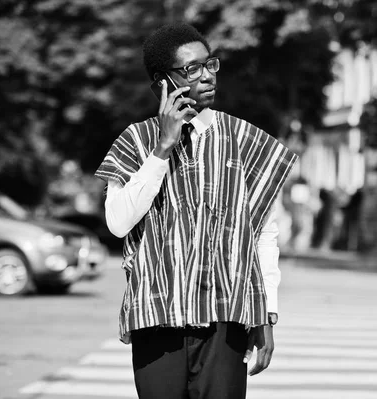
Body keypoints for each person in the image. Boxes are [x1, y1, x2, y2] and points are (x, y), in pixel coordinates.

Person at [94, 22, 298, 399]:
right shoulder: (136, 142)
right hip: (156, 315)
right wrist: (162, 149)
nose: (206, 76)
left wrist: (266, 312)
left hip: (226, 317)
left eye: (210, 64)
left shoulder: (243, 139)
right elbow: (118, 223)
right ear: (162, 82)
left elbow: (264, 233)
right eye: (191, 69)